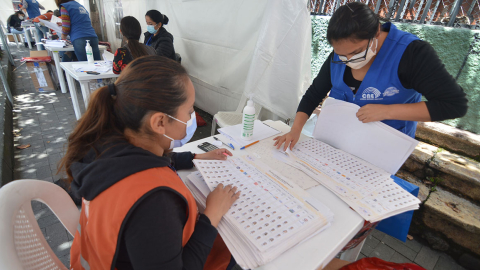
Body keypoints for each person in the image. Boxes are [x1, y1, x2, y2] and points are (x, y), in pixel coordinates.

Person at [61, 56, 239, 269]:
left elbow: (145, 161)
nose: (193, 116)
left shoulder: (104, 147)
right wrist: (212, 215)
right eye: (190, 110)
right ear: (160, 122)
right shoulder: (155, 203)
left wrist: (195, 157)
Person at [274, 2, 468, 151]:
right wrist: (295, 129)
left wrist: (387, 111)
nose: (349, 60)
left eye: (356, 52)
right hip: (339, 138)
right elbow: (314, 93)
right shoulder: (338, 55)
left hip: (384, 145)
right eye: (342, 55)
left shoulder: (412, 54)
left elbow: (454, 105)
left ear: (376, 32)